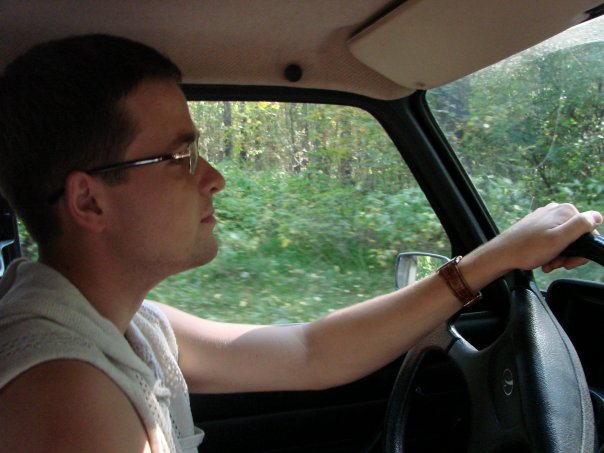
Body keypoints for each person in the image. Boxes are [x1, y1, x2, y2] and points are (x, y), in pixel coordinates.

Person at [0, 34, 600, 453]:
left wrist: (498, 256)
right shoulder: (64, 397)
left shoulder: (129, 325)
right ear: (89, 202)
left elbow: (310, 352)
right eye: (181, 157)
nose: (214, 177)